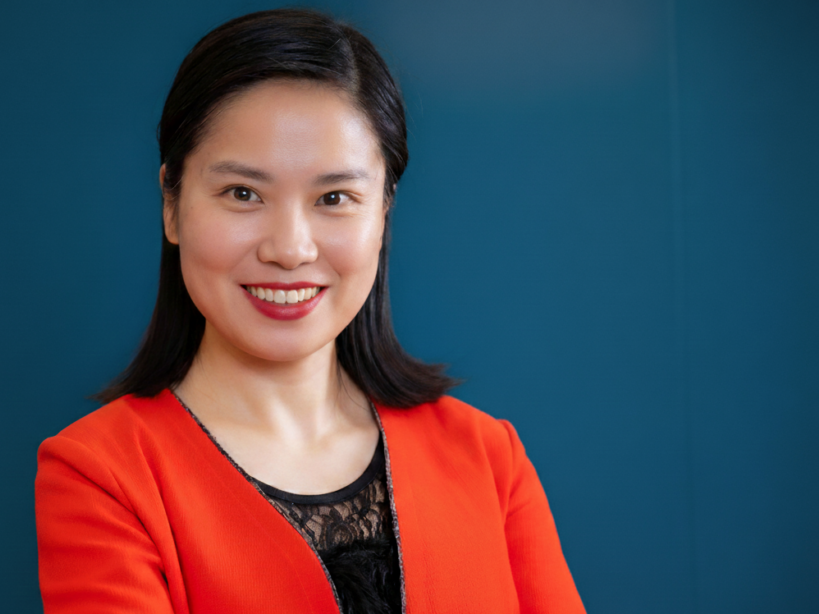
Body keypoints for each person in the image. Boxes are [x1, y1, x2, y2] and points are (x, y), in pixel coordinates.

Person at [35, 8, 584, 614]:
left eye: (334, 197)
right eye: (243, 193)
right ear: (171, 203)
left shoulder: (487, 457)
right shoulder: (100, 475)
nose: (290, 249)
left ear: (383, 212)